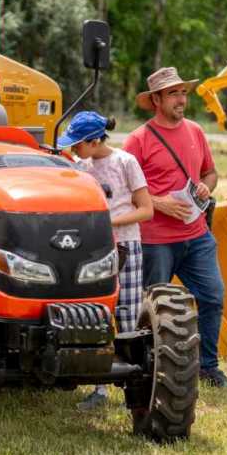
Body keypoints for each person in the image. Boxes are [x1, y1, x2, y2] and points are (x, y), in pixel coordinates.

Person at [123, 67, 227, 388]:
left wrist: (206, 186)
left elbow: (211, 173)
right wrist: (159, 203)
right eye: (173, 94)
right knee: (154, 309)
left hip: (197, 236)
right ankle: (150, 369)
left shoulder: (196, 131)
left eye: (183, 92)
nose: (181, 99)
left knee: (213, 297)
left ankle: (208, 367)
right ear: (156, 100)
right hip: (155, 240)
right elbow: (124, 190)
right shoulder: (138, 140)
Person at [57, 111, 154, 410]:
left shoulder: (125, 162)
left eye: (78, 145)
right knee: (98, 315)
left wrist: (108, 222)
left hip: (125, 245)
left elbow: (146, 209)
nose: (74, 150)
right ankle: (99, 387)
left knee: (127, 315)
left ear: (95, 141)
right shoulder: (80, 167)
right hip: (93, 249)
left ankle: (131, 389)